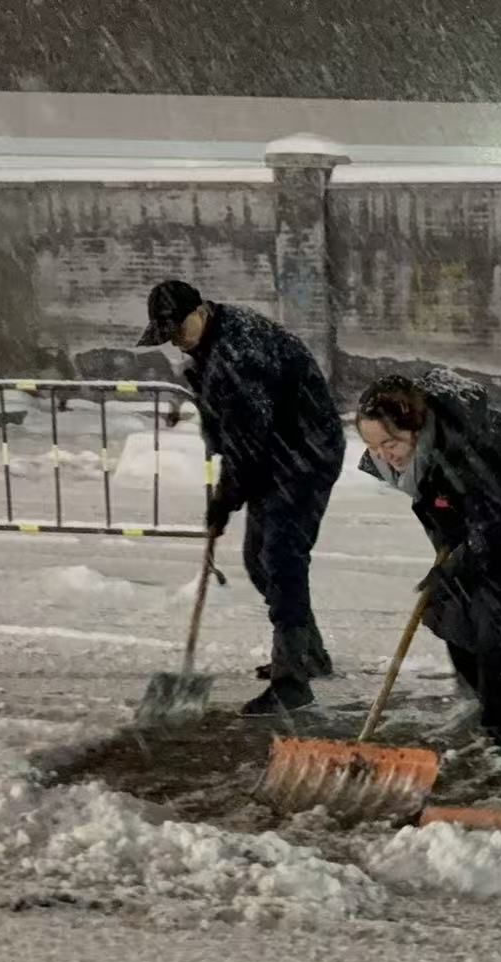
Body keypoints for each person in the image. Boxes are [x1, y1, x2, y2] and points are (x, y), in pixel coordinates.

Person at [139, 280, 343, 717]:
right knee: (257, 558)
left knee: (281, 559)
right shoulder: (214, 342)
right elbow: (235, 431)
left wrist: (224, 501)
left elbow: (248, 440)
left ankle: (293, 682)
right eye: (169, 334)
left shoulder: (238, 354)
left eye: (178, 329)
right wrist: (226, 487)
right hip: (276, 455)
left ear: (201, 311)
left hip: (304, 455)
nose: (176, 340)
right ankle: (307, 653)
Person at [354, 369, 501, 752]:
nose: (382, 455)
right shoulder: (425, 452)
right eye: (373, 446)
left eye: (390, 443)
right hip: (473, 509)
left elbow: (492, 524)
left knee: (500, 617)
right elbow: (439, 500)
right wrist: (451, 555)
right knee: (451, 609)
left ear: (416, 428)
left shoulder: (470, 449)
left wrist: (454, 566)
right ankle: (481, 697)